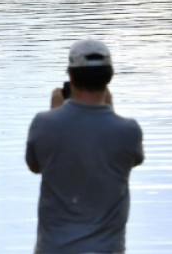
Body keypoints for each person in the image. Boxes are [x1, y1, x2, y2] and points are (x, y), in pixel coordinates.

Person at [26, 38, 144, 254]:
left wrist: (54, 113)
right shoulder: (128, 131)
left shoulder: (43, 124)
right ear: (110, 76)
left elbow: (36, 166)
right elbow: (127, 162)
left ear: (70, 75)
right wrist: (110, 109)